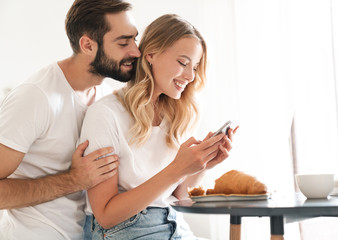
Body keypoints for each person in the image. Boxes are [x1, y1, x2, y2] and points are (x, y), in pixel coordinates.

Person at [80, 14, 238, 239]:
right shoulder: (105, 115)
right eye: (183, 63)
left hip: (173, 222)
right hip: (124, 230)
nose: (190, 76)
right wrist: (177, 168)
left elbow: (176, 194)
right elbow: (105, 215)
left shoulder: (176, 114)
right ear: (151, 54)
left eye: (195, 67)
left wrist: (202, 165)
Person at [0, 0, 140, 239]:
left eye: (135, 39)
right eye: (123, 42)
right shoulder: (36, 96)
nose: (135, 51)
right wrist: (74, 180)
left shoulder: (106, 99)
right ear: (87, 45)